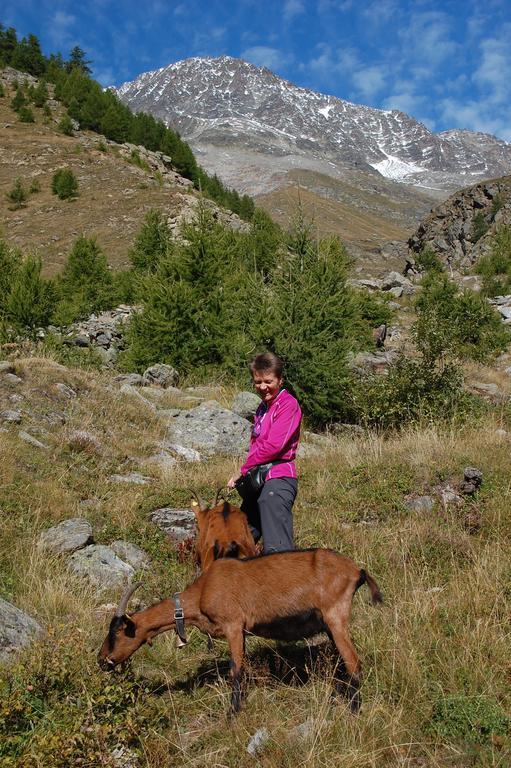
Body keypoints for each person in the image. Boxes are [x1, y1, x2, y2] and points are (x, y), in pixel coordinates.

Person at [227, 352, 302, 553]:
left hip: (278, 480)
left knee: (278, 552)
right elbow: (257, 446)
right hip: (259, 481)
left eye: (268, 381)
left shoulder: (288, 405)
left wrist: (243, 470)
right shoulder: (262, 408)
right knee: (236, 545)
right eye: (257, 381)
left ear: (280, 379)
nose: (262, 387)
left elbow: (274, 446)